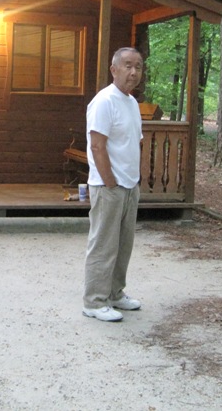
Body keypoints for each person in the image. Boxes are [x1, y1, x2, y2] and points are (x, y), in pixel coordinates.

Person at [82, 47, 144, 322]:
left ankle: (116, 294)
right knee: (104, 245)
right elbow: (97, 146)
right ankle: (94, 302)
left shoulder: (130, 102)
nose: (133, 72)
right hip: (109, 187)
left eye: (139, 67)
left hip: (129, 186)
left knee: (123, 245)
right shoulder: (104, 101)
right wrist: (110, 183)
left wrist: (132, 182)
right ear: (114, 69)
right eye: (128, 66)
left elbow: (132, 142)